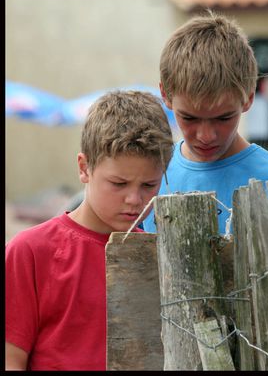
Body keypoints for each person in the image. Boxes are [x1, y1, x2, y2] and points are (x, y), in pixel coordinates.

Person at [5, 90, 174, 370]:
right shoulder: (30, 251)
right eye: (119, 184)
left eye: (148, 185)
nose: (134, 199)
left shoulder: (160, 254)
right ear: (84, 168)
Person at [142, 10, 268, 236]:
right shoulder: (150, 177)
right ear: (165, 95)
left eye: (223, 118)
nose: (206, 135)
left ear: (249, 97)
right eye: (189, 118)